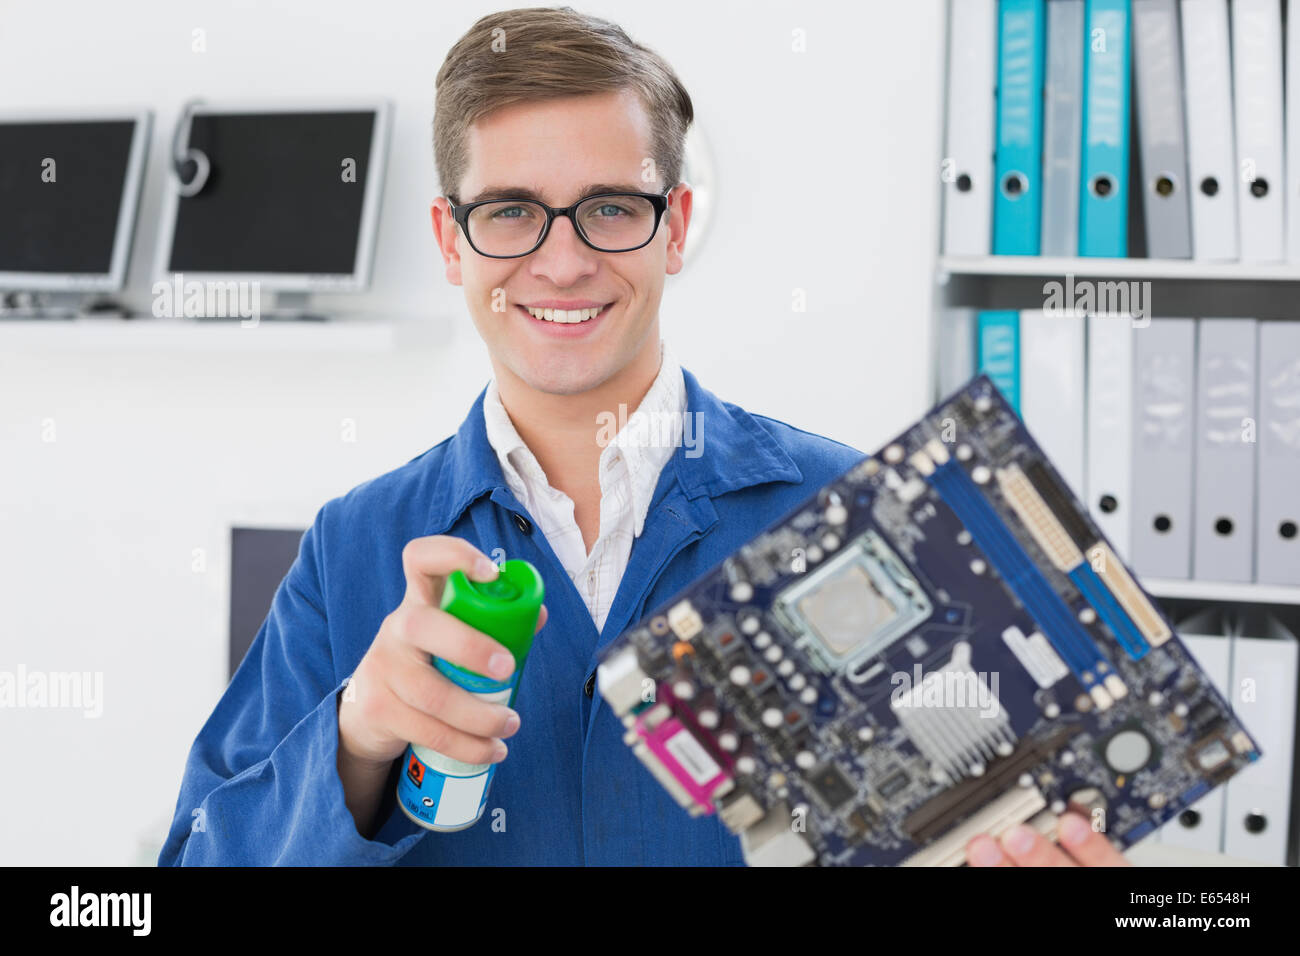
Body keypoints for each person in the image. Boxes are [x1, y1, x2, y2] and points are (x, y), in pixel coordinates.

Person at [159, 5, 1127, 867]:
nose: (564, 261)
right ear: (452, 241)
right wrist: (356, 738)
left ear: (675, 226)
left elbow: (962, 796)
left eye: (611, 208)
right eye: (510, 212)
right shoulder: (352, 548)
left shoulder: (850, 509)